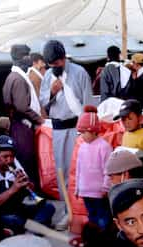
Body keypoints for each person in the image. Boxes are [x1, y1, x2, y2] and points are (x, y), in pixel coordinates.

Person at [40, 39, 93, 204]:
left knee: (80, 169)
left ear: (63, 59)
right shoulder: (48, 76)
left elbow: (88, 103)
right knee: (61, 170)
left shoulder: (80, 73)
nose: (54, 67)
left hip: (78, 128)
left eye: (56, 63)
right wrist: (52, 92)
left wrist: (87, 130)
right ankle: (67, 210)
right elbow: (43, 102)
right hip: (59, 130)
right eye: (50, 65)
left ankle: (81, 209)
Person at [0, 135, 55, 235]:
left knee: (48, 207)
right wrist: (13, 189)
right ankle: (35, 230)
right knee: (14, 221)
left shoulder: (13, 167)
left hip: (17, 210)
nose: (9, 160)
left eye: (12, 157)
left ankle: (30, 233)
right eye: (5, 157)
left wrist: (28, 186)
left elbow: (25, 195)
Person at [3, 44, 43, 187]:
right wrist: (40, 120)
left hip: (19, 126)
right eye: (27, 56)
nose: (29, 59)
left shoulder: (13, 76)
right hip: (22, 127)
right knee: (27, 160)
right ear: (20, 58)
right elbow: (22, 107)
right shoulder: (18, 79)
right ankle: (34, 194)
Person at [75, 106, 113, 230]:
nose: (82, 136)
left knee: (103, 218)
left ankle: (105, 239)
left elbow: (109, 169)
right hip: (86, 192)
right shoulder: (82, 147)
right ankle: (95, 241)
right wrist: (77, 188)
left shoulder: (104, 147)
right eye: (80, 133)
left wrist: (106, 187)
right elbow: (78, 170)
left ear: (93, 130)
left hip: (99, 193)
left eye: (84, 132)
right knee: (92, 217)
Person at [117, 99, 143, 183]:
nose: (126, 122)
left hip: (141, 181)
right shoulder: (125, 135)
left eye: (130, 118)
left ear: (140, 117)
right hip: (128, 179)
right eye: (123, 119)